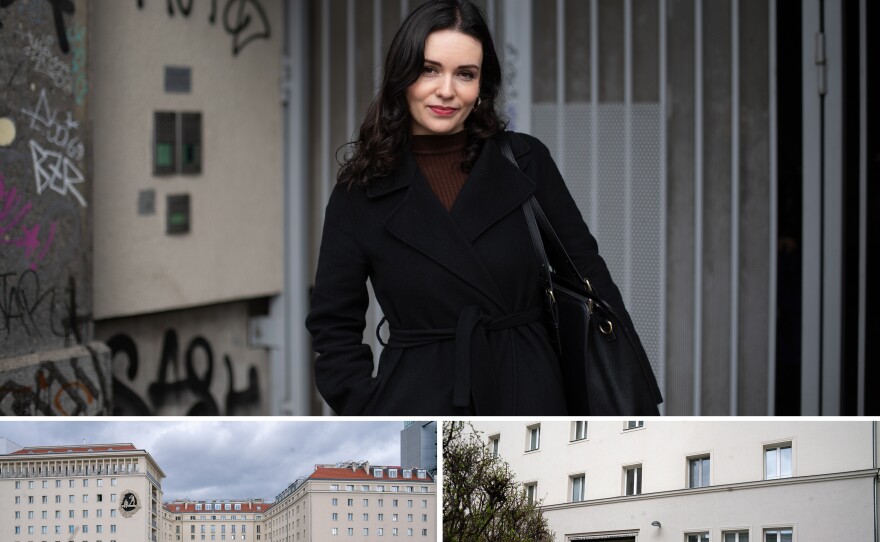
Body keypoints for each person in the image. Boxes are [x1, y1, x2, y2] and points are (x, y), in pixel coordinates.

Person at [306, 0, 661, 415]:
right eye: (429, 69)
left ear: (481, 87)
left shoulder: (526, 161)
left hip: (529, 389)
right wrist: (370, 408)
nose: (446, 90)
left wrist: (626, 394)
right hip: (418, 396)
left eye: (465, 74)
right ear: (402, 77)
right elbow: (333, 326)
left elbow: (589, 277)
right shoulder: (360, 192)